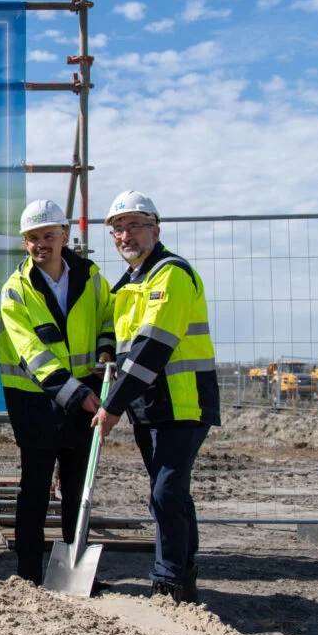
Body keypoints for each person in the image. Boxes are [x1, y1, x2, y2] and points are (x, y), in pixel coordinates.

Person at [92, 190, 220, 603]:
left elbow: (152, 348)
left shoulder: (170, 275)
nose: (125, 234)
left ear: (155, 230)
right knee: (172, 493)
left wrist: (112, 406)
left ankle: (169, 580)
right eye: (117, 228)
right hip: (150, 407)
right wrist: (106, 349)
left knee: (165, 493)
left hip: (183, 403)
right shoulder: (129, 283)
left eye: (133, 226)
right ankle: (184, 575)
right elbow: (121, 334)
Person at [0, 199, 115, 585]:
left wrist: (106, 349)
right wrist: (72, 392)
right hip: (34, 399)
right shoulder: (16, 290)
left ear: (65, 236)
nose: (41, 244)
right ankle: (28, 572)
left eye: (48, 235)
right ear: (24, 244)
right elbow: (30, 350)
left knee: (77, 485)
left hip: (83, 395)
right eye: (33, 238)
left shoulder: (91, 276)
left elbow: (108, 317)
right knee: (35, 485)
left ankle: (76, 570)